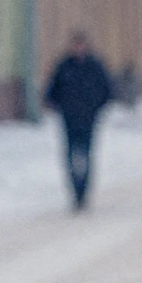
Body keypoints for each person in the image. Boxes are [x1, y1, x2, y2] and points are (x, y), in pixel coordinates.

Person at [45, 31, 114, 211]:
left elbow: (107, 90)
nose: (78, 48)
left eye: (81, 45)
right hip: (69, 119)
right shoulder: (64, 66)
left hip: (88, 119)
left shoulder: (95, 66)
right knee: (70, 156)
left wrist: (96, 108)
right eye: (75, 45)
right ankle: (75, 192)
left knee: (85, 155)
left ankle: (84, 192)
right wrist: (59, 107)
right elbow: (52, 91)